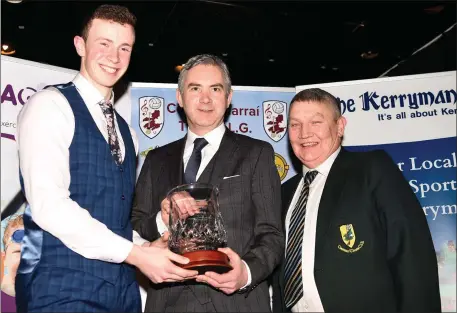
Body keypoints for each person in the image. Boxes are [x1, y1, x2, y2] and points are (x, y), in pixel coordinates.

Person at [15, 4, 196, 312]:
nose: (114, 58)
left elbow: (114, 218)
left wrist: (146, 246)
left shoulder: (127, 131)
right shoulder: (49, 106)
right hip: (62, 291)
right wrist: (137, 255)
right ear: (80, 45)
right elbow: (50, 206)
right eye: (104, 44)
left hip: (122, 295)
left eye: (124, 47)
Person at [131, 54, 284, 312]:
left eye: (215, 88)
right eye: (195, 88)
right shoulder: (155, 159)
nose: (205, 99)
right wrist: (162, 218)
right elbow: (136, 225)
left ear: (228, 97)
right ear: (179, 98)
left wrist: (245, 273)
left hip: (236, 303)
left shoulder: (257, 154)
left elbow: (272, 234)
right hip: (167, 302)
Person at [271, 88, 441, 313]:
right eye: (295, 124)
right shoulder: (284, 193)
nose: (304, 133)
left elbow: (412, 256)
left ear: (340, 126)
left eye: (316, 122)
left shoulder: (371, 169)